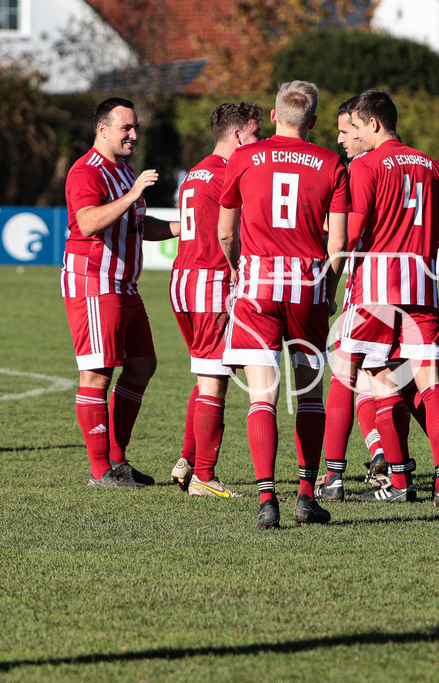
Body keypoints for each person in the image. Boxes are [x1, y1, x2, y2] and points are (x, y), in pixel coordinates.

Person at [317, 97, 439, 502]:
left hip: (373, 292)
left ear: (374, 124)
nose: (351, 135)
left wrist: (328, 282)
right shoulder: (431, 166)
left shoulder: (365, 166)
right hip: (421, 292)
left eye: (355, 126)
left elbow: (350, 236)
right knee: (427, 385)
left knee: (347, 375)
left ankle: (335, 478)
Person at [218, 80, 349, 528]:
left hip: (258, 288)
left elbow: (225, 233)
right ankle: (306, 496)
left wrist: (238, 269)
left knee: (263, 397)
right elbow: (338, 244)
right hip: (307, 288)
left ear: (274, 116)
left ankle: (266, 500)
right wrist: (328, 288)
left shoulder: (243, 157)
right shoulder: (332, 162)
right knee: (310, 395)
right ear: (313, 122)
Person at [63, 97, 179, 488]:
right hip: (94, 282)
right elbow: (88, 222)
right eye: (126, 128)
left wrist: (185, 227)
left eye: (135, 128)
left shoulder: (125, 170)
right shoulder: (87, 171)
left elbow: (140, 225)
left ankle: (116, 458)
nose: (133, 135)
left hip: (124, 285)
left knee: (143, 364)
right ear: (103, 129)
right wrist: (131, 195)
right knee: (97, 373)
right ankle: (101, 470)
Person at [168, 101, 263, 498]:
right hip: (211, 282)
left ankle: (188, 459)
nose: (260, 142)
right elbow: (232, 232)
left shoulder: (196, 171)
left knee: (209, 373)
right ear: (238, 135)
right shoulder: (228, 173)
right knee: (214, 380)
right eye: (256, 134)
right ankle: (204, 478)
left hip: (184, 280)